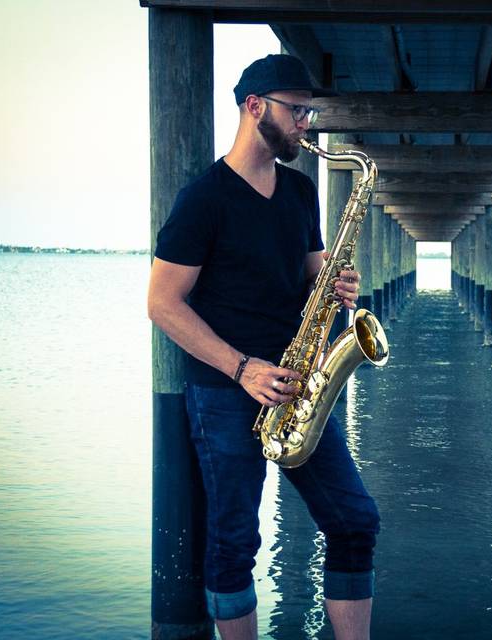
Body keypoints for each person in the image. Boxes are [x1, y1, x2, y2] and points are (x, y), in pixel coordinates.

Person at [147, 54, 380, 640]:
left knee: (355, 521)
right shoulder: (204, 199)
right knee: (234, 542)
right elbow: (163, 303)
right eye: (297, 110)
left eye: (309, 110)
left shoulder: (301, 192)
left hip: (300, 387)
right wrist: (242, 367)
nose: (307, 123)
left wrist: (335, 281)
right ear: (255, 107)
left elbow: (309, 272)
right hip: (228, 393)